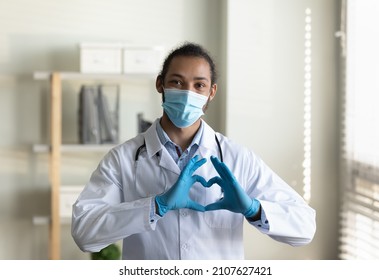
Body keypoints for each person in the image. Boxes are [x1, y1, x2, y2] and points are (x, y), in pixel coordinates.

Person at [71, 42, 316, 260]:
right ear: (160, 84)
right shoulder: (123, 159)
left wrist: (253, 209)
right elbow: (84, 232)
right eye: (177, 82)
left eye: (199, 85)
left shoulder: (237, 158)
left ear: (211, 92)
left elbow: (305, 227)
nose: (188, 93)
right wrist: (155, 206)